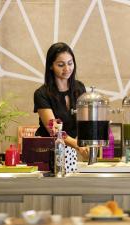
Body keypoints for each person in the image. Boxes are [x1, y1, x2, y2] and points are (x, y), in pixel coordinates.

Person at [34, 42, 88, 171]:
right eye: (61, 65)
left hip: (70, 150)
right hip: (48, 150)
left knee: (69, 188)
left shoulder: (79, 88)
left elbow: (84, 123)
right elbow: (54, 129)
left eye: (70, 63)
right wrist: (77, 144)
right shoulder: (41, 94)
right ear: (51, 66)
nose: (67, 69)